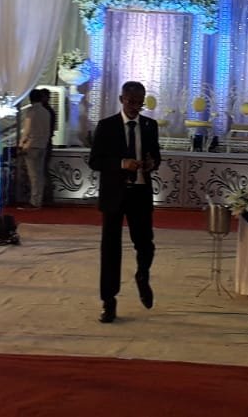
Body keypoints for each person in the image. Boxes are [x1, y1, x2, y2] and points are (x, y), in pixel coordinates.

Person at [87, 81, 160, 324]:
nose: (135, 107)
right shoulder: (106, 125)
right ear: (121, 99)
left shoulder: (150, 125)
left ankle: (142, 275)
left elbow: (156, 156)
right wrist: (121, 164)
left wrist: (151, 163)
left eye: (139, 103)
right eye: (131, 101)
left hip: (140, 192)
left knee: (146, 244)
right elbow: (95, 161)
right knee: (110, 249)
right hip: (114, 194)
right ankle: (109, 301)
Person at [19, 88, 55, 207]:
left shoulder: (31, 111)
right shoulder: (47, 112)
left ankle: (34, 201)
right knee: (40, 174)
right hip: (43, 145)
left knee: (33, 175)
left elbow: (27, 130)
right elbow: (48, 131)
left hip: (31, 145)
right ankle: (38, 199)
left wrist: (21, 144)